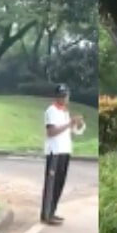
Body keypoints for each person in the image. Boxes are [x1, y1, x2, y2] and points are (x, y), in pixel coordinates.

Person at [42, 84, 84, 225]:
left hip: (65, 151)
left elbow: (71, 132)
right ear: (57, 97)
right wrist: (69, 123)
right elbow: (51, 132)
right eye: (62, 95)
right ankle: (46, 214)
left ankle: (52, 212)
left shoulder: (65, 112)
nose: (65, 98)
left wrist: (76, 124)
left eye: (66, 95)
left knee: (60, 183)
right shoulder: (51, 111)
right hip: (55, 152)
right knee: (51, 184)